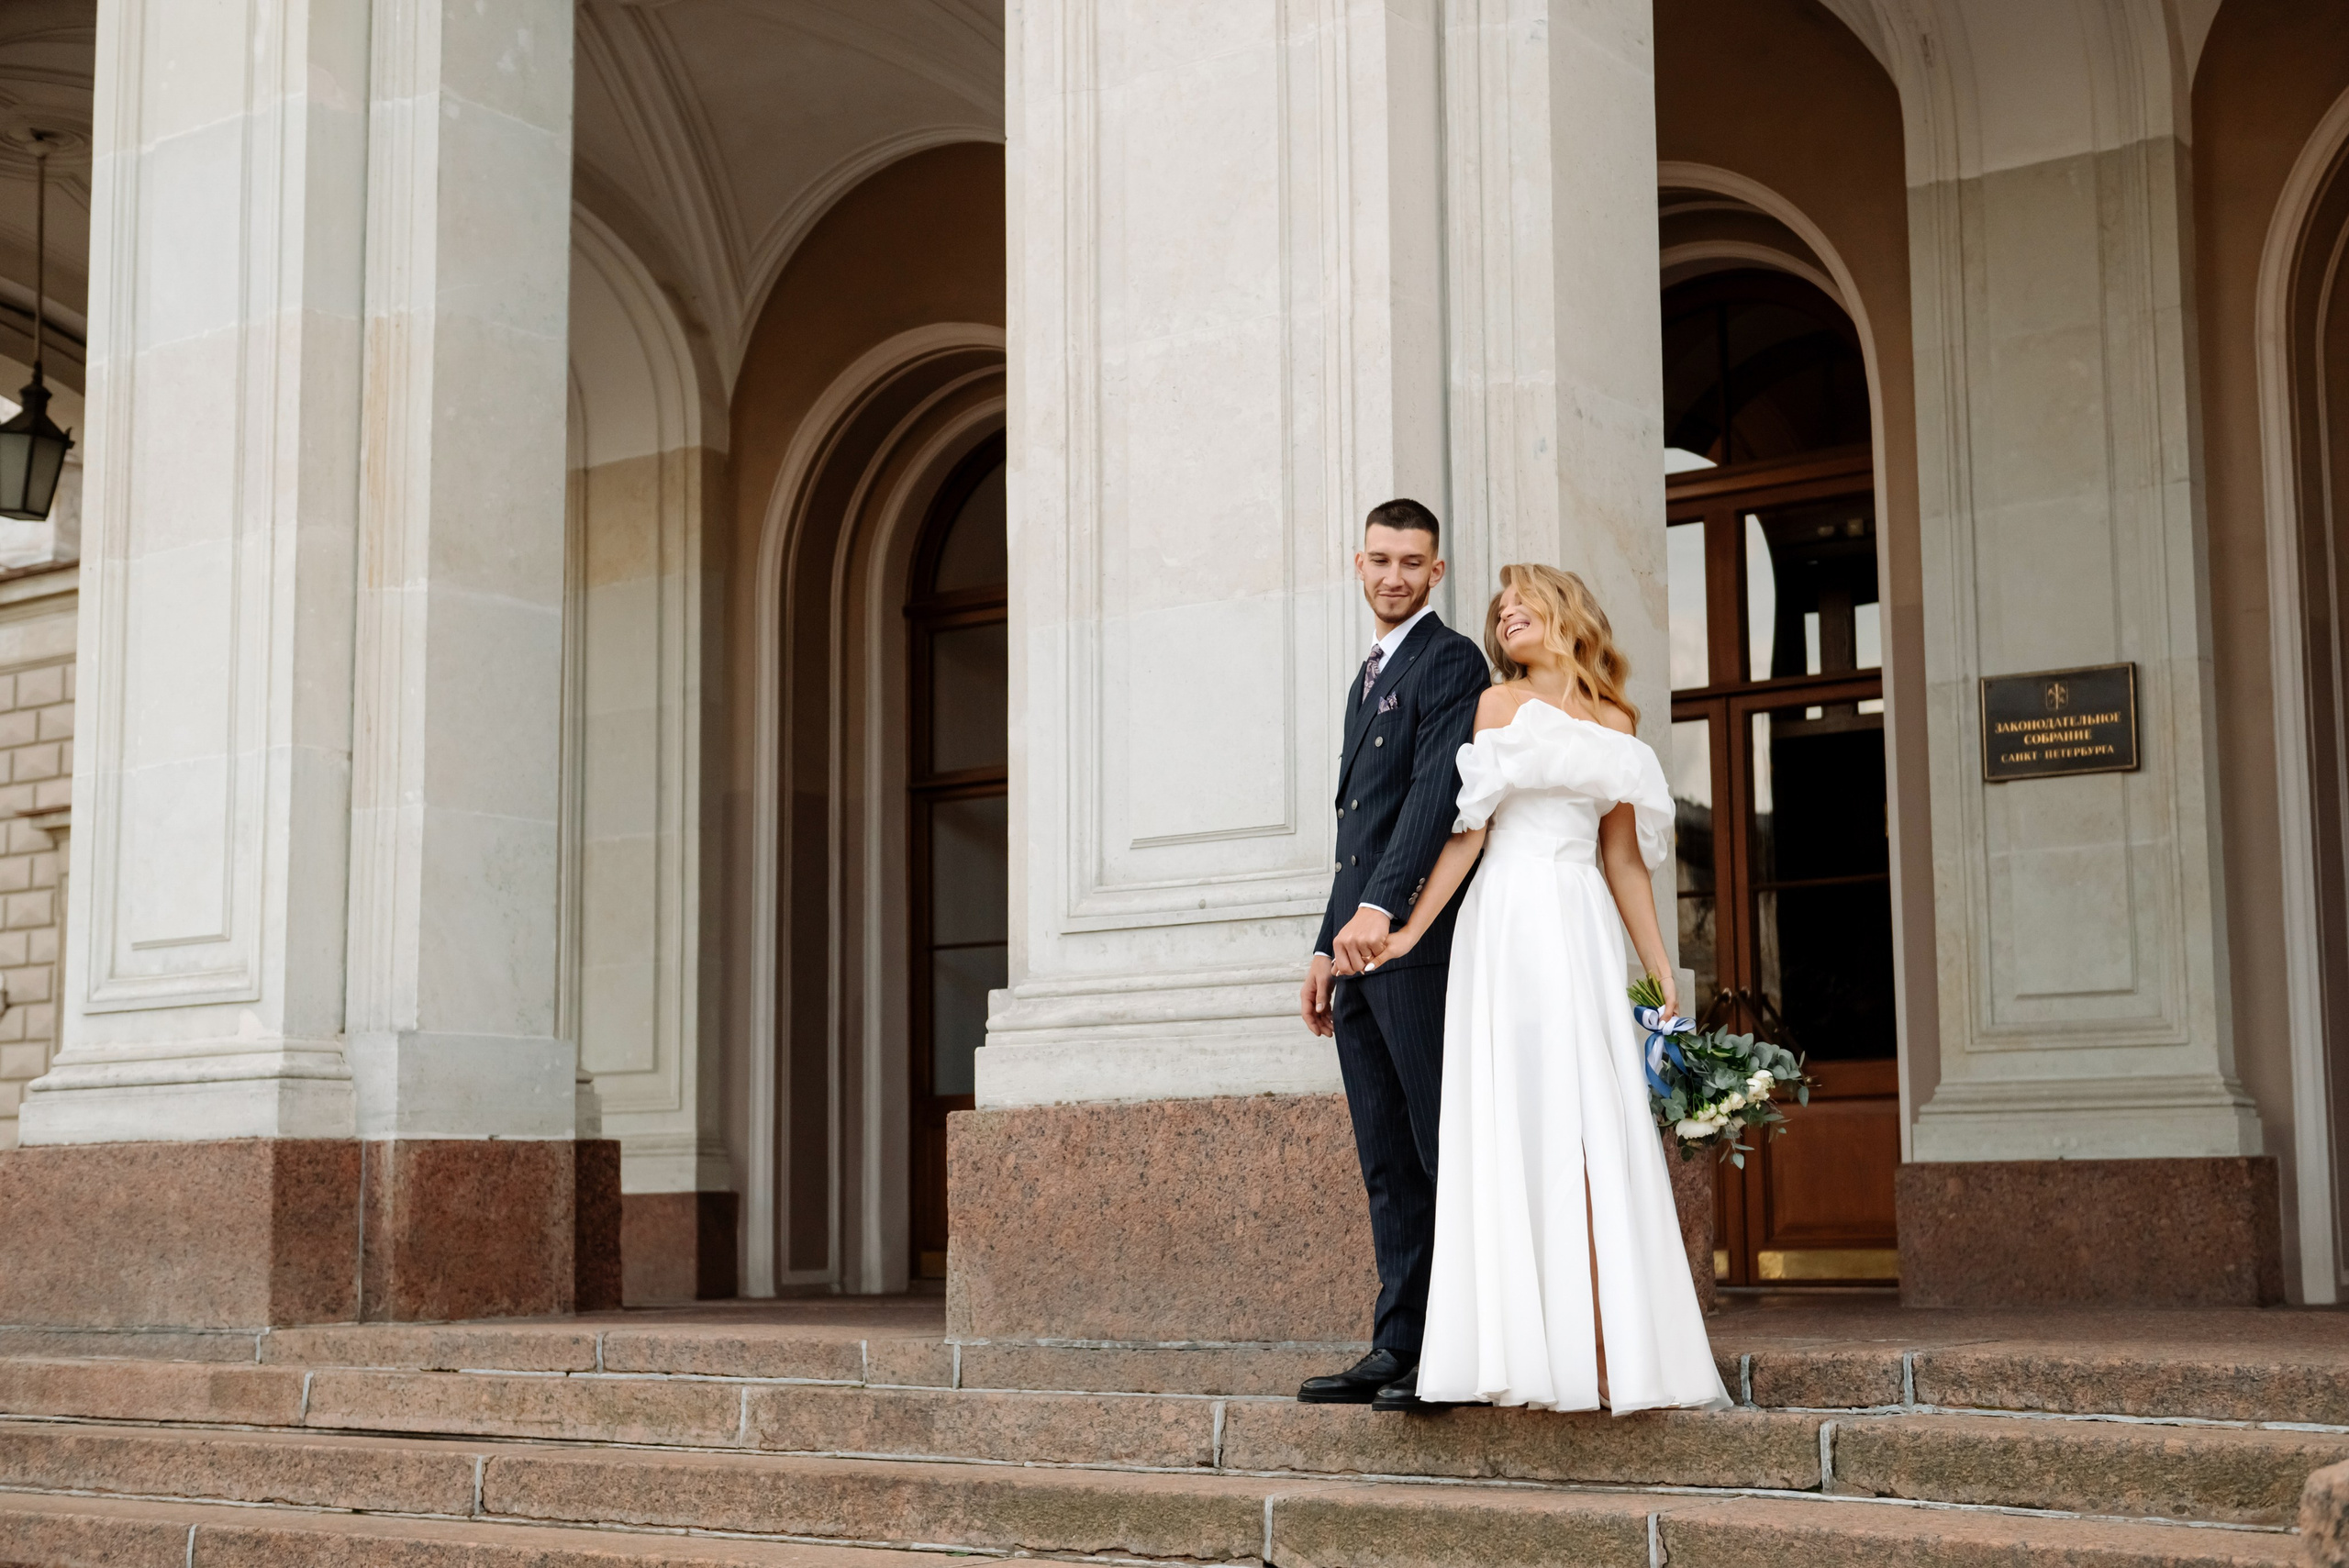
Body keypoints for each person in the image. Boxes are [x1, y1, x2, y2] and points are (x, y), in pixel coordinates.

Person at [1364, 563, 1730, 1414]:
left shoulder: (1617, 722)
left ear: (1568, 612)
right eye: (1501, 609)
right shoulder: (1497, 705)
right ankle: (1519, 1352)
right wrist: (1409, 931)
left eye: (1523, 599)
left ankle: (1605, 1347)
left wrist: (1657, 964)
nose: (1509, 614)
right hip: (1507, 921)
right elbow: (1468, 835)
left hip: (1583, 925)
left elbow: (1624, 860)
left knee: (1592, 1120)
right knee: (1518, 1117)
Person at [1294, 499, 1491, 1412]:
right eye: (1380, 559)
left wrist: (1379, 910)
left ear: (1435, 571)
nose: (1394, 576)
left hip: (1415, 950)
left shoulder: (1449, 659)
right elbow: (1357, 834)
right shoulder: (1368, 675)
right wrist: (1323, 945)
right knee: (1386, 1160)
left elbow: (1431, 796)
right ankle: (1398, 1342)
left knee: (1437, 1148)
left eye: (1412, 562)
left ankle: (1457, 1351)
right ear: (1359, 562)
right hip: (1360, 957)